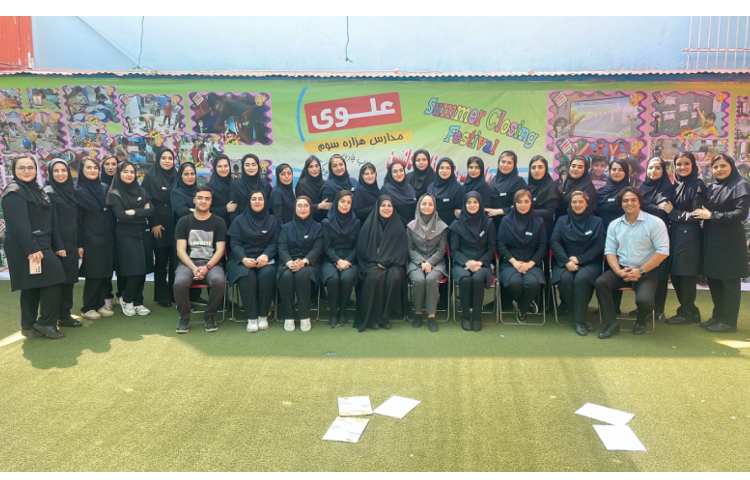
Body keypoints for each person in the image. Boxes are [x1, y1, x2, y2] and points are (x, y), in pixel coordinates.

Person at [2, 156, 66, 338]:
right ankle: (46, 323)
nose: (27, 171)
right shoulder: (13, 192)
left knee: (31, 285)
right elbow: (18, 225)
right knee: (55, 277)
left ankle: (28, 326)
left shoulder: (35, 189)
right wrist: (32, 249)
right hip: (27, 247)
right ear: (14, 170)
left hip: (38, 244)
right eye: (21, 167)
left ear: (36, 170)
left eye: (30, 167)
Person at [594, 187, 670, 338]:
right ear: (621, 204)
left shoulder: (655, 222)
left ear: (640, 202)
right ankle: (611, 324)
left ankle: (641, 322)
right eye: (625, 200)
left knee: (644, 300)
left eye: (633, 200)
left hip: (646, 271)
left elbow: (663, 252)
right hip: (623, 269)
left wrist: (640, 271)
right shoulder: (615, 224)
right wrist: (618, 271)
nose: (629, 203)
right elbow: (610, 251)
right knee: (601, 283)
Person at [693, 153, 749, 332]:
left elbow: (740, 214)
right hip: (712, 240)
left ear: (731, 166)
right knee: (714, 279)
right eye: (715, 167)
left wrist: (712, 216)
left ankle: (729, 322)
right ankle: (718, 317)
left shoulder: (740, 185)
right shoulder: (713, 187)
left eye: (723, 165)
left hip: (730, 242)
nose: (719, 169)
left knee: (729, 282)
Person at [173, 186, 226, 334]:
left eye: (207, 199)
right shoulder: (184, 221)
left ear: (211, 202)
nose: (203, 201)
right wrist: (194, 268)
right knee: (179, 283)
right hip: (188, 263)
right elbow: (180, 250)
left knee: (219, 281)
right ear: (194, 200)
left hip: (211, 264)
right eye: (200, 198)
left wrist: (207, 267)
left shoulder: (219, 222)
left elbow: (220, 250)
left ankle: (210, 316)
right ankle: (184, 317)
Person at [550, 191, 605, 335]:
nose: (577, 204)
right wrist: (566, 261)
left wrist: (580, 259)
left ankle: (579, 321)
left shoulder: (597, 221)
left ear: (587, 204)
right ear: (570, 204)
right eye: (574, 202)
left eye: (581, 202)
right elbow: (555, 242)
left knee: (582, 278)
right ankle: (577, 313)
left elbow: (599, 246)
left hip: (590, 262)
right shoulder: (562, 220)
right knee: (565, 279)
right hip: (565, 261)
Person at [227, 190, 279, 333]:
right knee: (247, 275)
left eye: (260, 199)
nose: (257, 201)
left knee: (267, 274)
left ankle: (263, 315)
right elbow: (235, 244)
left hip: (265, 260)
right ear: (249, 202)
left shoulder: (272, 220)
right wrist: (243, 258)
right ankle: (251, 318)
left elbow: (275, 243)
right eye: (254, 199)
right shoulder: (239, 220)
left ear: (265, 201)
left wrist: (266, 255)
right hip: (242, 259)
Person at [107, 161, 154, 317]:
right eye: (125, 171)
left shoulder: (142, 190)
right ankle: (127, 299)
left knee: (143, 269)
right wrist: (141, 210)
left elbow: (151, 210)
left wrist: (133, 212)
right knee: (134, 270)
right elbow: (120, 215)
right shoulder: (114, 193)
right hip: (125, 235)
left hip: (143, 233)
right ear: (119, 174)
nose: (129, 174)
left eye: (132, 172)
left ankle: (138, 302)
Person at [355, 195, 408, 332]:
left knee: (394, 277)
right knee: (374, 277)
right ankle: (372, 318)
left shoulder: (399, 225)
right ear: (377, 207)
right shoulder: (368, 225)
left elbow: (402, 250)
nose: (386, 208)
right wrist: (377, 262)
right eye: (383, 205)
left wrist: (386, 262)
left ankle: (385, 317)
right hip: (372, 263)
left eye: (389, 205)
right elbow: (362, 249)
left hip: (394, 264)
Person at [664, 153, 705, 326]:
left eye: (686, 163)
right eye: (679, 164)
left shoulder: (697, 185)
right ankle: (690, 311)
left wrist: (672, 212)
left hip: (689, 236)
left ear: (693, 165)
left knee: (686, 275)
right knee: (676, 275)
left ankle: (688, 312)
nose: (682, 167)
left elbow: (696, 215)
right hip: (675, 235)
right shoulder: (676, 185)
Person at [497, 189, 547, 322]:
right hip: (510, 263)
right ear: (514, 203)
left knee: (532, 283)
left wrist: (530, 263)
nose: (523, 205)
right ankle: (524, 302)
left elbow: (542, 246)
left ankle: (522, 307)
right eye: (519, 202)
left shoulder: (539, 221)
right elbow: (501, 244)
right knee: (515, 283)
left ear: (531, 203)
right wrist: (514, 262)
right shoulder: (506, 221)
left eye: (526, 201)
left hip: (532, 263)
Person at [75, 158, 115, 320]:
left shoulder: (104, 187)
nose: (92, 170)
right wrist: (79, 243)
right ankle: (88, 307)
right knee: (93, 273)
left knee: (105, 272)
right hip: (89, 238)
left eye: (95, 168)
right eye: (89, 167)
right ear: (82, 170)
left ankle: (99, 305)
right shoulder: (77, 190)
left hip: (107, 237)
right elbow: (77, 220)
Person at [450, 191, 495, 331]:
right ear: (464, 205)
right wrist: (467, 263)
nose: (472, 205)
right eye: (469, 202)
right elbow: (454, 250)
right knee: (465, 279)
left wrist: (480, 263)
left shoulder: (488, 223)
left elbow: (491, 248)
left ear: (480, 204)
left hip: (482, 263)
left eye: (475, 202)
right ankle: (465, 316)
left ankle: (476, 316)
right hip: (462, 263)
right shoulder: (456, 224)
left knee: (477, 278)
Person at [44, 159, 82, 328]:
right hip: (58, 247)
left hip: (72, 244)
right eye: (56, 171)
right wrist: (59, 246)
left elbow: (76, 220)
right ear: (50, 173)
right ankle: (52, 318)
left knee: (69, 280)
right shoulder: (49, 192)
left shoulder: (71, 191)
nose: (60, 174)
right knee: (57, 283)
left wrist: (79, 244)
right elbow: (51, 223)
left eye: (63, 170)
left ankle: (65, 315)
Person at [278, 196, 323, 333]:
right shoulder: (285, 227)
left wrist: (304, 261)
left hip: (309, 264)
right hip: (288, 263)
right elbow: (282, 247)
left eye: (305, 206)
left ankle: (304, 315)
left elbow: (317, 248)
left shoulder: (318, 227)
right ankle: (289, 316)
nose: (302, 209)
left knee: (302, 274)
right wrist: (289, 262)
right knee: (286, 276)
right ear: (294, 208)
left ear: (310, 208)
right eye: (299, 206)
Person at [639, 157, 676, 321]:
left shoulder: (667, 188)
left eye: (657, 168)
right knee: (644, 271)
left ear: (663, 171)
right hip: (642, 236)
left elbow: (663, 212)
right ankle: (644, 308)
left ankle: (658, 310)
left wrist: (643, 206)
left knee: (660, 275)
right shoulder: (642, 187)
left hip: (659, 237)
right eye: (650, 168)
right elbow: (653, 208)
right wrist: (652, 206)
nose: (653, 171)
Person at [406, 193, 448, 332]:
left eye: (430, 204)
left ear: (434, 207)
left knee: (431, 280)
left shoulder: (442, 226)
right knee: (418, 280)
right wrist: (422, 262)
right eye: (424, 204)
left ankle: (431, 316)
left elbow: (441, 250)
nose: (427, 206)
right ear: (419, 206)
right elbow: (410, 249)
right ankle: (418, 313)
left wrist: (430, 263)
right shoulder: (411, 226)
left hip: (436, 262)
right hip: (416, 261)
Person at [141, 148, 177, 307]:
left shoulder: (177, 175)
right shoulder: (150, 176)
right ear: (158, 159)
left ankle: (174, 293)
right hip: (159, 225)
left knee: (175, 262)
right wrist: (153, 223)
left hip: (176, 224)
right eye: (164, 158)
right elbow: (146, 201)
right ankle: (161, 295)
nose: (167, 161)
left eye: (170, 158)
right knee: (161, 261)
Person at [321, 190, 361, 328]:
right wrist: (338, 260)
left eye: (348, 202)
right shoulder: (326, 222)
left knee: (347, 278)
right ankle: (333, 313)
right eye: (342, 201)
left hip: (350, 260)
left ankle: (343, 311)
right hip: (330, 259)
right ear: (336, 203)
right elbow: (326, 247)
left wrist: (347, 261)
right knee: (333, 279)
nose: (345, 205)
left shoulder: (356, 222)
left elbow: (357, 246)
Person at [99, 155, 120, 310]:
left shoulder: (124, 183)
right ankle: (106, 295)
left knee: (122, 264)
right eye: (107, 164)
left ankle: (122, 294)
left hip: (122, 230)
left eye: (114, 164)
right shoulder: (98, 185)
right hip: (104, 231)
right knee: (105, 264)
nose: (111, 167)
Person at [526, 155, 560, 241]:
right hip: (528, 228)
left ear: (546, 169)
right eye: (533, 167)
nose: (536, 170)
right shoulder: (528, 187)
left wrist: (525, 212)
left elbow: (549, 212)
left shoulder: (552, 187)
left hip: (544, 230)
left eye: (540, 167)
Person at [487, 150, 526, 224]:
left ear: (514, 165)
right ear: (499, 163)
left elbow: (523, 206)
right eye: (503, 162)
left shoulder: (519, 182)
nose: (505, 165)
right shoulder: (493, 180)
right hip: (492, 223)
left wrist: (500, 211)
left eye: (509, 163)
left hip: (511, 223)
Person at [231, 153, 270, 220]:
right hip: (242, 222)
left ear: (258, 166)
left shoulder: (265, 184)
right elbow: (233, 209)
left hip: (263, 221)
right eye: (247, 165)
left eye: (253, 164)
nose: (251, 167)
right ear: (243, 167)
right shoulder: (236, 185)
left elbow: (268, 207)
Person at [428, 157, 464, 225]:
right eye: (442, 168)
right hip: (431, 225)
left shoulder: (458, 188)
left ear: (452, 170)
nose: (444, 171)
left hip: (449, 226)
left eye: (448, 168)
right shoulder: (431, 187)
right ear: (437, 169)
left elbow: (459, 211)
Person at [596, 160, 631, 228]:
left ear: (626, 172)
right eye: (614, 169)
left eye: (620, 170)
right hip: (603, 230)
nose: (616, 172)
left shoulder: (631, 193)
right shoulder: (601, 192)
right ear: (609, 172)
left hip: (625, 230)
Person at [380, 160, 417, 225]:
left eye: (401, 170)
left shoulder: (409, 187)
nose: (399, 174)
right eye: (395, 171)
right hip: (396, 226)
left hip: (413, 226)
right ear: (390, 174)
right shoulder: (386, 190)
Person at [295, 155, 330, 222]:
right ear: (307, 169)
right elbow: (300, 208)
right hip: (308, 222)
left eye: (316, 166)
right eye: (311, 167)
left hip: (325, 222)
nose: (314, 169)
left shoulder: (325, 184)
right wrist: (318, 206)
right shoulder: (301, 185)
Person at [207, 154, 237, 227]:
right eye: (219, 166)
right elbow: (206, 210)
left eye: (226, 166)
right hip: (217, 227)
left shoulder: (235, 184)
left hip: (234, 226)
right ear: (215, 168)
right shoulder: (209, 188)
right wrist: (225, 209)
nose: (223, 169)